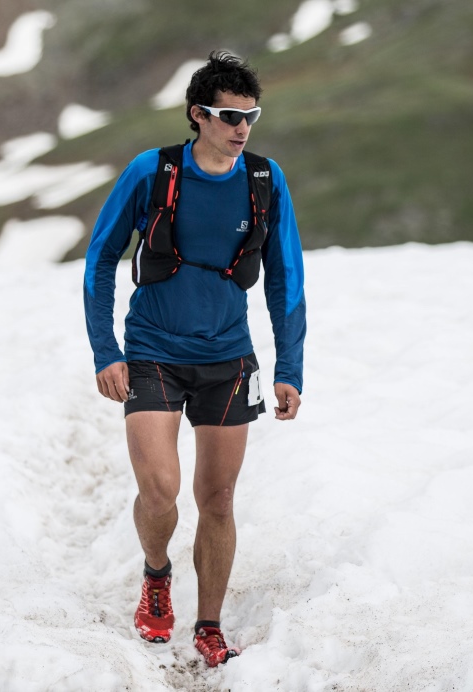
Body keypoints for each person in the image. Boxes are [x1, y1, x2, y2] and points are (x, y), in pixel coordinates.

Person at [83, 51, 306, 667]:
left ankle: (209, 624)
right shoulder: (152, 172)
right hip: (152, 349)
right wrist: (108, 351)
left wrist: (290, 368)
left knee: (218, 499)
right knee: (160, 491)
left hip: (229, 359)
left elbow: (287, 274)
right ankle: (157, 575)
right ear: (197, 116)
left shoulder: (264, 179)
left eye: (250, 116)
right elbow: (101, 257)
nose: (242, 128)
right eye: (229, 116)